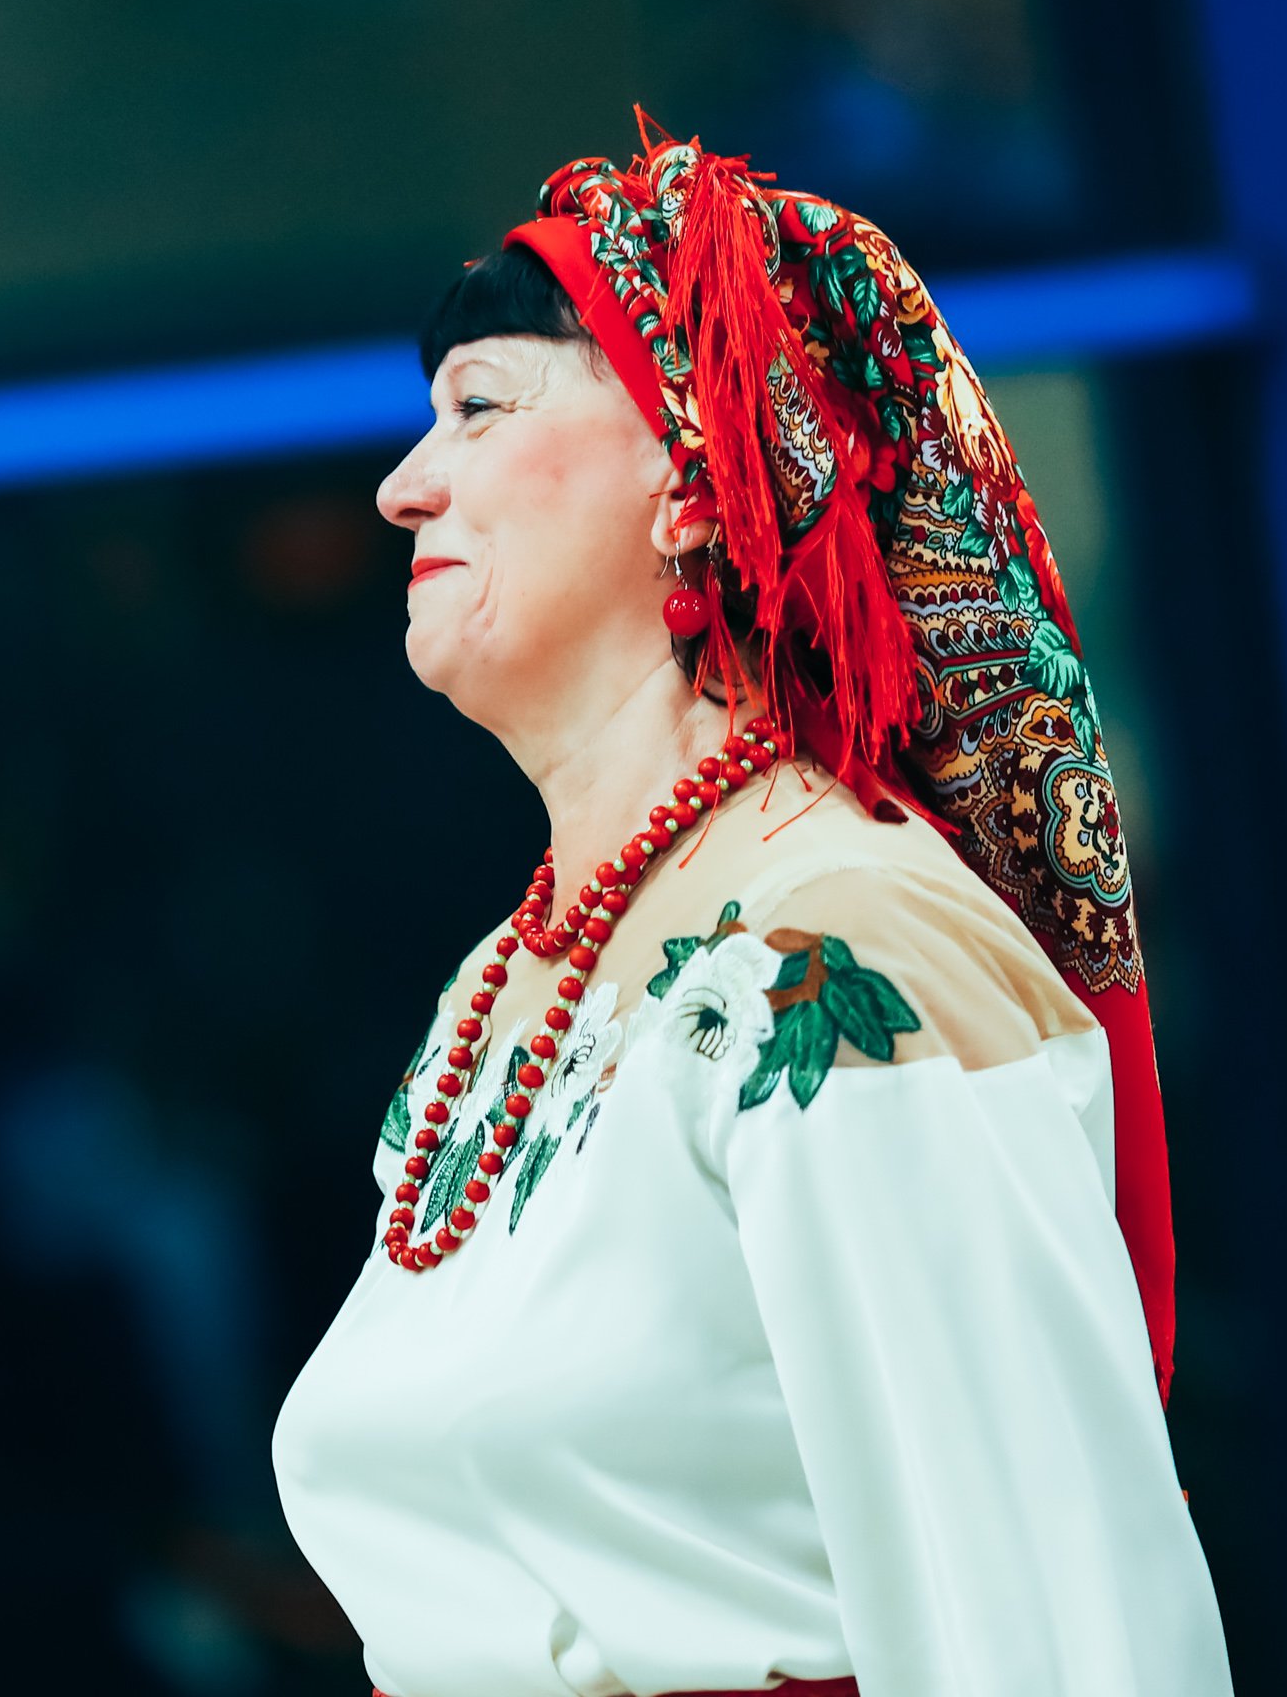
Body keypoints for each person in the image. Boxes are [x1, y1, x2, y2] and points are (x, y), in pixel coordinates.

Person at [272, 121, 1231, 1696]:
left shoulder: (841, 951)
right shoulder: (502, 987)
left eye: (478, 408)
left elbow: (1053, 1629)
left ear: (693, 478)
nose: (401, 485)